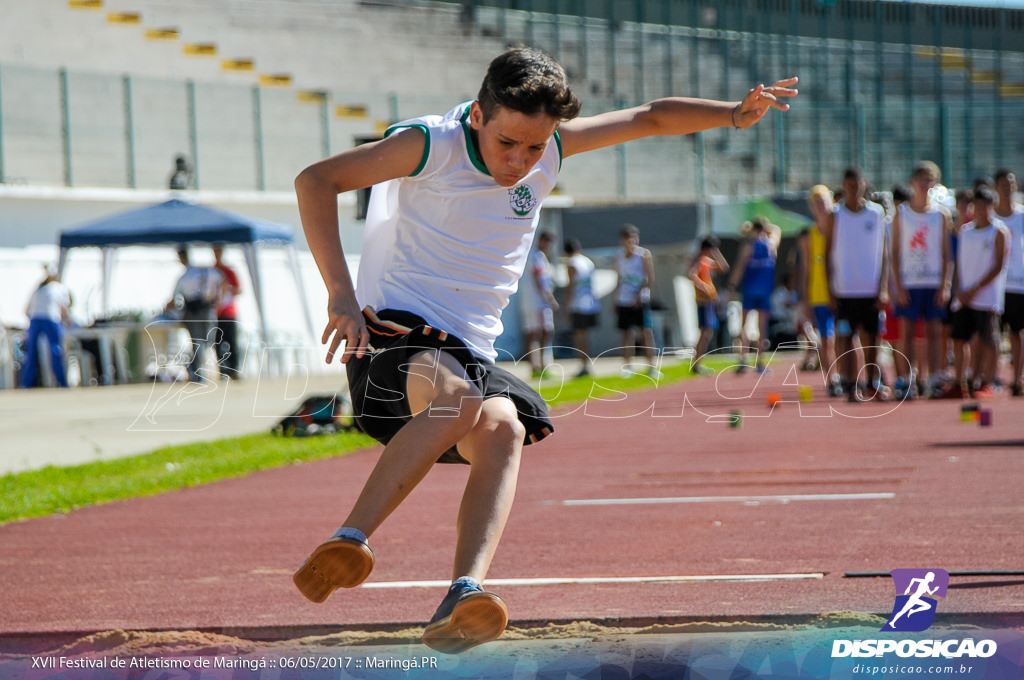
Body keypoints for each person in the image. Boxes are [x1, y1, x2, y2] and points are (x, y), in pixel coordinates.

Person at [291, 47, 797, 654]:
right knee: (460, 400)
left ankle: (462, 593)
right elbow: (315, 180)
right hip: (394, 328)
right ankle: (349, 540)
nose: (520, 162)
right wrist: (340, 296)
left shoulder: (549, 148)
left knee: (503, 427)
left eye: (535, 148)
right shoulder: (432, 144)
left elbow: (649, 118)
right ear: (478, 114)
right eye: (509, 143)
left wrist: (733, 116)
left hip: (469, 346)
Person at [890, 161, 954, 399]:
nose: (924, 184)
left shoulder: (941, 215)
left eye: (929, 180)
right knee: (907, 333)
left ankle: (935, 378)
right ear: (912, 182)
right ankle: (907, 380)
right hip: (910, 281)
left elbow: (947, 254)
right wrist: (898, 284)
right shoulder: (902, 214)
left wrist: (945, 285)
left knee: (934, 333)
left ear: (934, 183)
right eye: (920, 179)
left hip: (933, 281)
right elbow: (894, 252)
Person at [826, 167, 889, 402]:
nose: (853, 189)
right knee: (846, 338)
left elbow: (884, 253)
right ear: (844, 186)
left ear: (864, 185)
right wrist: (831, 288)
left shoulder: (876, 213)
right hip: (844, 289)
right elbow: (828, 252)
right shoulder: (836, 215)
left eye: (857, 185)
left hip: (870, 289)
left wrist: (883, 287)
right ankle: (850, 383)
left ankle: (872, 382)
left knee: (873, 338)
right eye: (849, 185)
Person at [942, 185, 1009, 398]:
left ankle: (985, 382)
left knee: (987, 340)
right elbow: (960, 263)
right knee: (960, 340)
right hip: (964, 297)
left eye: (985, 206)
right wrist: (960, 290)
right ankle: (959, 383)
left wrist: (975, 288)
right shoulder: (965, 231)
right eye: (977, 206)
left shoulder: (999, 231)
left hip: (987, 298)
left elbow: (998, 265)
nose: (980, 210)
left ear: (992, 207)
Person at [727, 216, 780, 373]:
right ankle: (760, 361)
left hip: (750, 290)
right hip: (764, 291)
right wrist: (763, 228)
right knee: (761, 326)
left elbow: (739, 267)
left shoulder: (748, 247)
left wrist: (731, 286)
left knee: (744, 324)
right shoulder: (771, 244)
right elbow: (776, 230)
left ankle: (743, 358)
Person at [803, 185, 840, 394]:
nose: (820, 207)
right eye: (815, 203)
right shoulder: (811, 234)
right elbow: (807, 268)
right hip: (819, 294)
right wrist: (806, 299)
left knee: (844, 338)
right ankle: (832, 379)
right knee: (826, 340)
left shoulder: (840, 228)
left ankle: (849, 376)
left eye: (823, 201)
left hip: (841, 291)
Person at [170, 246, 224, 382]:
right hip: (205, 309)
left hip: (195, 311)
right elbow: (222, 282)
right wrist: (218, 297)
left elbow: (174, 298)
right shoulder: (206, 272)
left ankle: (201, 372)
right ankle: (203, 371)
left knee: (198, 342)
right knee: (206, 341)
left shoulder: (185, 277)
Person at [613, 224, 660, 378]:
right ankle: (627, 366)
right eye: (628, 239)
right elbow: (618, 279)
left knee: (646, 332)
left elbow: (649, 278)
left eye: (634, 238)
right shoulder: (618, 257)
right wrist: (615, 300)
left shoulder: (643, 255)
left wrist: (638, 296)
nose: (631, 242)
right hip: (623, 300)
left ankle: (651, 366)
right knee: (627, 333)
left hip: (640, 301)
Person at [994, 169, 1024, 397]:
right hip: (994, 285)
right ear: (996, 187)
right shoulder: (990, 216)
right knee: (992, 334)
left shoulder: (1022, 215)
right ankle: (993, 378)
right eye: (1003, 184)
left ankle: (1017, 379)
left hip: (1018, 284)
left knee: (1017, 333)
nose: (1008, 187)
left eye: (1011, 184)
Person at [20, 267, 72, 388]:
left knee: (32, 350)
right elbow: (64, 309)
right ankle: (61, 381)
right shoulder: (58, 288)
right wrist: (67, 321)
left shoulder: (39, 289)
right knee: (55, 349)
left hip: (36, 319)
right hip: (50, 318)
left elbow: (26, 310)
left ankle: (27, 382)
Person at [519, 230, 558, 377]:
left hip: (532, 302)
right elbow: (538, 280)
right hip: (538, 303)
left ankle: (538, 366)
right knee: (541, 333)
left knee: (536, 334)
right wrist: (549, 298)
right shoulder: (537, 256)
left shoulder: (534, 256)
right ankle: (540, 365)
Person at [688, 235, 729, 375]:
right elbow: (691, 275)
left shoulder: (706, 260)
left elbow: (723, 267)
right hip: (703, 301)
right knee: (705, 332)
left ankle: (698, 362)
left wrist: (716, 253)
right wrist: (704, 288)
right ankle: (697, 363)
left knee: (708, 332)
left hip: (709, 301)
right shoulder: (698, 259)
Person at [562, 238, 601, 377]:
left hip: (578, 304)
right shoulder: (587, 261)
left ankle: (584, 364)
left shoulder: (572, 263)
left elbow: (570, 287)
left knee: (579, 336)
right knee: (585, 335)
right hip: (591, 302)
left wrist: (566, 306)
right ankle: (587, 364)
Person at [212, 245, 243, 380]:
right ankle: (223, 371)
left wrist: (229, 289)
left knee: (231, 342)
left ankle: (234, 370)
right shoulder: (212, 271)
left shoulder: (228, 271)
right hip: (216, 313)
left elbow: (239, 289)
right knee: (218, 343)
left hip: (229, 312)